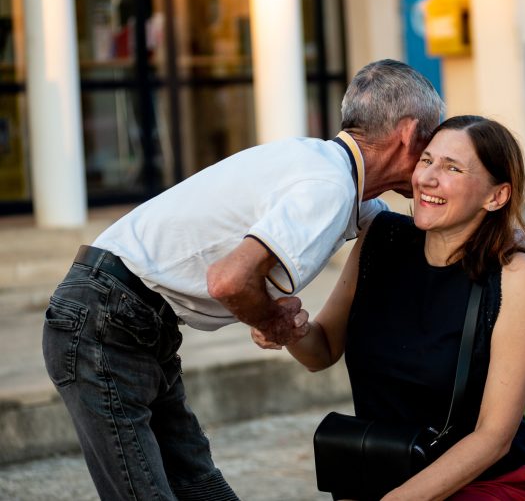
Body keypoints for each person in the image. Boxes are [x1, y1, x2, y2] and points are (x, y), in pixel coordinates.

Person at [41, 59, 444, 500]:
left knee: (201, 486)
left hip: (127, 313)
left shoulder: (327, 171)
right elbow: (229, 281)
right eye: (431, 151)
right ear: (408, 135)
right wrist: (272, 319)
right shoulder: (329, 186)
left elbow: (391, 230)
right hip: (107, 317)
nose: (432, 169)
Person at [255, 115, 525, 499]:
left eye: (452, 168)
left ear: (495, 196)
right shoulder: (381, 237)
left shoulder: (515, 274)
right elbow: (322, 350)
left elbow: (493, 437)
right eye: (426, 160)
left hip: (483, 484)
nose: (427, 178)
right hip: (383, 471)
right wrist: (288, 328)